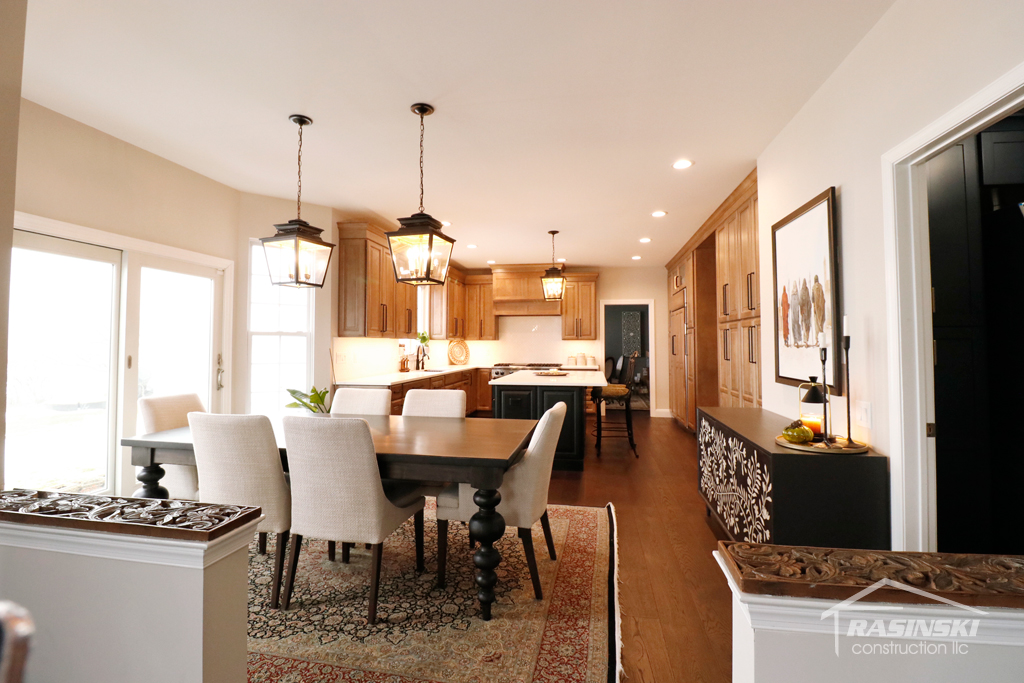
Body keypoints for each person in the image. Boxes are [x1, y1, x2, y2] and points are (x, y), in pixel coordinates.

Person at [799, 278, 812, 344]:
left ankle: (806, 339)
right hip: (805, 311)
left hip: (806, 311)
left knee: (806, 326)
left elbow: (808, 300)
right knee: (805, 325)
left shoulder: (806, 290)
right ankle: (805, 340)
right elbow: (801, 302)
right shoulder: (803, 291)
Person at [790, 279, 802, 346]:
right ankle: (796, 339)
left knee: (796, 325)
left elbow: (798, 303)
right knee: (795, 325)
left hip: (795, 312)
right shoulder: (794, 294)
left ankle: (797, 339)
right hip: (794, 312)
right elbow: (793, 304)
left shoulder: (796, 294)